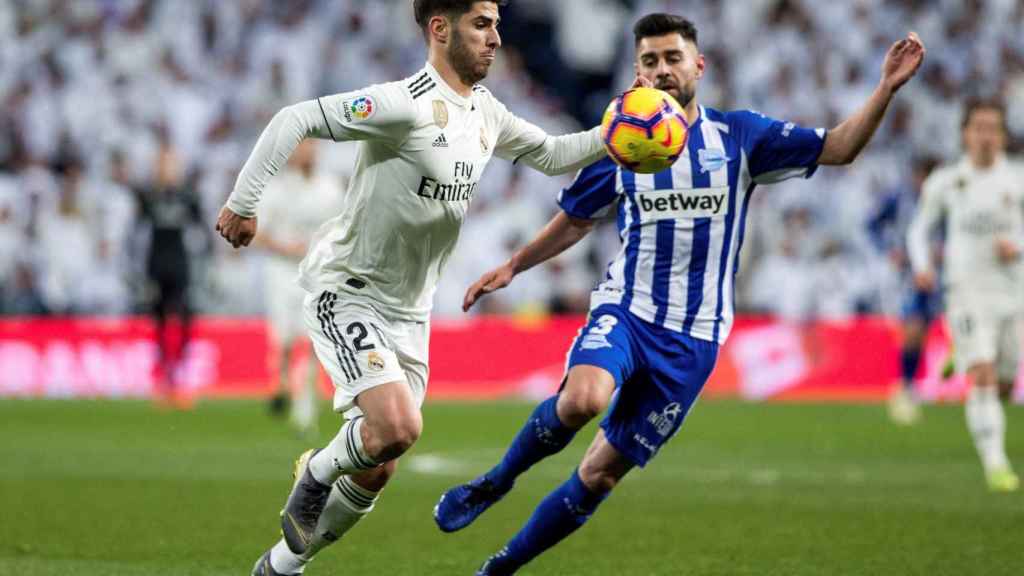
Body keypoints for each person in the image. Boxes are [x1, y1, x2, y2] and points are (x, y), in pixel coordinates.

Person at [434, 14, 925, 574]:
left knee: (599, 475)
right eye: (649, 61)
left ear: (699, 66)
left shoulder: (741, 137)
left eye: (672, 58)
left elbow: (838, 148)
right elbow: (576, 218)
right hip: (629, 309)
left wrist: (884, 89)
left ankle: (500, 567)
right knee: (582, 400)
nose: (662, 70)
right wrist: (514, 266)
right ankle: (496, 480)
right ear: (636, 73)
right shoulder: (621, 142)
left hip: (694, 339)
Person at [215, 1, 613, 574]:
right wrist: (243, 203)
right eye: (482, 24)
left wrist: (614, 134)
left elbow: (551, 155)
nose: (496, 37)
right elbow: (294, 118)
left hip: (410, 312)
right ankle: (318, 472)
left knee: (381, 461)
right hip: (348, 290)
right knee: (398, 426)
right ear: (440, 28)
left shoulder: (486, 113)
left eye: (498, 24)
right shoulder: (402, 104)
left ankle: (280, 567)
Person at [907, 98, 1022, 492]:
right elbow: (920, 229)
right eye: (979, 128)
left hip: (1012, 293)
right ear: (965, 134)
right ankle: (997, 465)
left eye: (993, 128)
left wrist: (1018, 247)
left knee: (1005, 383)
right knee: (984, 376)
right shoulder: (948, 180)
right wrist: (922, 265)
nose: (986, 136)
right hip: (967, 291)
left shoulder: (1018, 180)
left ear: (1003, 135)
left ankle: (961, 352)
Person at [256, 140, 344, 437]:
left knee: (314, 340)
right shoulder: (277, 190)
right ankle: (280, 385)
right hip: (281, 271)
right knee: (283, 339)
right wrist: (286, 247)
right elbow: (259, 233)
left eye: (312, 148)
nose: (307, 154)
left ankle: (304, 407)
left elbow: (342, 229)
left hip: (316, 271)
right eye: (302, 148)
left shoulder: (330, 188)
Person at [135, 143, 206, 408]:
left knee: (185, 319)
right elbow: (136, 233)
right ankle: (165, 382)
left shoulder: (188, 196)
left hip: (180, 264)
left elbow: (202, 232)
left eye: (172, 165)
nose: (168, 171)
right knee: (160, 324)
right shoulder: (148, 197)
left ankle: (182, 377)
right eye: (163, 165)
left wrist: (204, 266)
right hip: (156, 265)